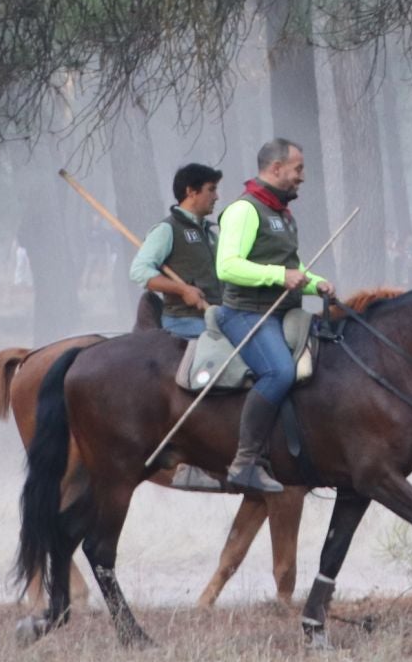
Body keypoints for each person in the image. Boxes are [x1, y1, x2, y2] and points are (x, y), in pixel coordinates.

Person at [214, 139, 337, 494]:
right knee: (279, 371)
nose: (302, 177)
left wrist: (316, 285)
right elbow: (228, 266)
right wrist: (279, 277)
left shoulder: (282, 214)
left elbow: (292, 267)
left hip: (282, 312)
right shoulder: (244, 210)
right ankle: (245, 462)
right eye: (298, 169)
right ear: (276, 168)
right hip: (245, 313)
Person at [127, 161, 224, 339]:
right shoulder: (167, 229)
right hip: (184, 321)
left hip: (215, 317)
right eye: (211, 189)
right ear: (191, 192)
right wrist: (183, 290)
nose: (216, 196)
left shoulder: (210, 233)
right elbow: (139, 271)